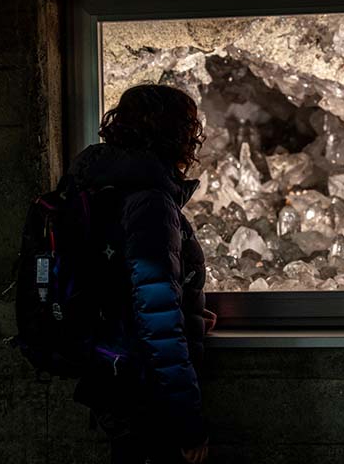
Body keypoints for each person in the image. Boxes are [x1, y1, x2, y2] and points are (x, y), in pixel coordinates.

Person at [67, 84, 216, 464]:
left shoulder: (101, 183)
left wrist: (188, 311)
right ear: (178, 136)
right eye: (190, 129)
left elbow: (125, 287)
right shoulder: (150, 201)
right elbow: (158, 322)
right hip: (144, 389)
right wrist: (189, 423)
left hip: (109, 370)